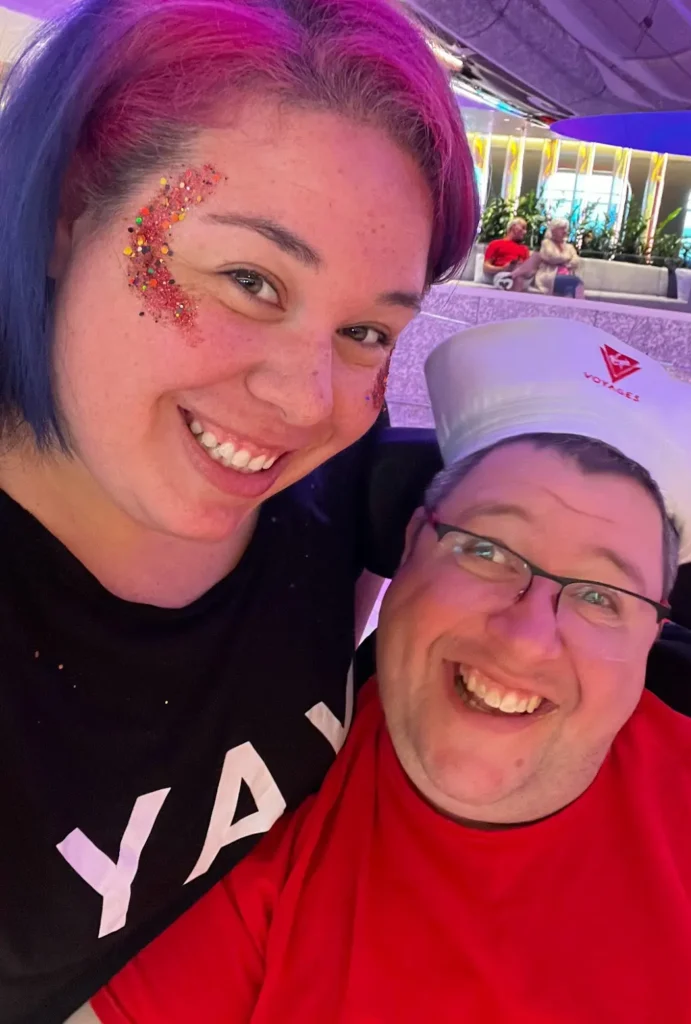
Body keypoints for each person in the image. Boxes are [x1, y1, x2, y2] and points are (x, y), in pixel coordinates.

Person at [0, 1, 479, 1021]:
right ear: (66, 214)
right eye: (251, 280)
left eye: (364, 329)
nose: (311, 403)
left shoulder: (324, 484)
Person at [75, 320, 691, 1024]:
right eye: (487, 551)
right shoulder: (247, 818)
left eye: (600, 596)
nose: (527, 639)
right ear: (411, 544)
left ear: (652, 630)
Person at [512, 217, 583, 297]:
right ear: (553, 230)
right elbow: (552, 258)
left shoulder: (569, 247)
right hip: (548, 277)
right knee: (575, 281)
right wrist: (568, 257)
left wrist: (563, 261)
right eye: (562, 229)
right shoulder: (547, 243)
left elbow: (576, 262)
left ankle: (569, 307)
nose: (565, 231)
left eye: (565, 229)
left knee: (570, 289)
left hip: (566, 276)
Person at [482, 216, 529, 285]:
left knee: (520, 279)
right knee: (504, 277)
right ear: (513, 227)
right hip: (500, 275)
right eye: (523, 228)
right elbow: (486, 267)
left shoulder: (524, 249)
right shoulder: (495, 244)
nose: (525, 232)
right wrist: (503, 268)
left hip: (518, 277)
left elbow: (529, 272)